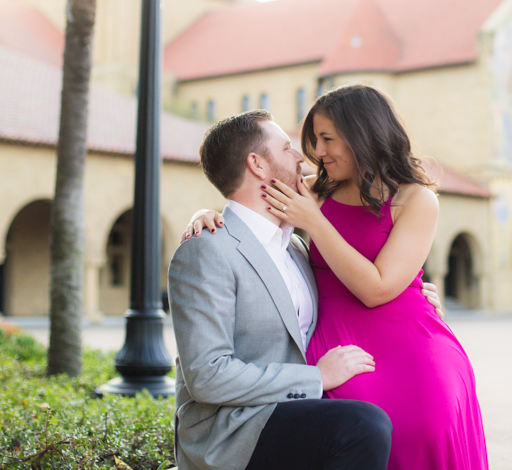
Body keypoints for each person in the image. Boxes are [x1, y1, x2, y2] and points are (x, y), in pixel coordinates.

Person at [185, 84, 489, 470]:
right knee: (361, 433)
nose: (317, 152)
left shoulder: (417, 199)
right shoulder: (311, 189)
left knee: (426, 429)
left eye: (327, 139)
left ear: (363, 134)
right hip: (339, 345)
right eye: (315, 140)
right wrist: (203, 215)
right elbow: (246, 198)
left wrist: (315, 222)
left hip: (412, 340)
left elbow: (378, 289)